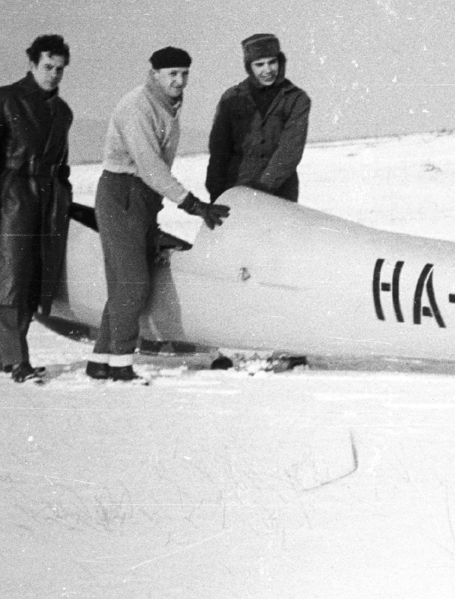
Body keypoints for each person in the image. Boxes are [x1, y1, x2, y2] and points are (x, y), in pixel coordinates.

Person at [89, 47, 230, 382]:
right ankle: (120, 365)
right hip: (122, 193)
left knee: (124, 284)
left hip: (143, 198)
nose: (179, 81)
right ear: (154, 74)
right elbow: (150, 167)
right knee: (134, 284)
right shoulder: (137, 106)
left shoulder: (167, 105)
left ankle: (100, 360)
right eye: (172, 74)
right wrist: (193, 205)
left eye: (184, 74)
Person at [0, 34, 75, 384]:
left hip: (47, 203)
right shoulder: (3, 99)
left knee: (32, 283)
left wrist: (64, 196)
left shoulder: (62, 112)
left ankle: (4, 358)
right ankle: (16, 360)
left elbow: (63, 164)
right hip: (11, 200)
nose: (53, 74)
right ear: (31, 64)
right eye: (47, 67)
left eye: (59, 69)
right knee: (9, 282)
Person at [205, 32, 312, 203]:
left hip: (280, 192)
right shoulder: (231, 98)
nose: (267, 70)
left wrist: (264, 187)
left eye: (272, 62)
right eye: (259, 64)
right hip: (237, 189)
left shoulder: (296, 99)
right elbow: (219, 149)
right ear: (249, 67)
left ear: (280, 61)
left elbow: (290, 150)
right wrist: (216, 193)